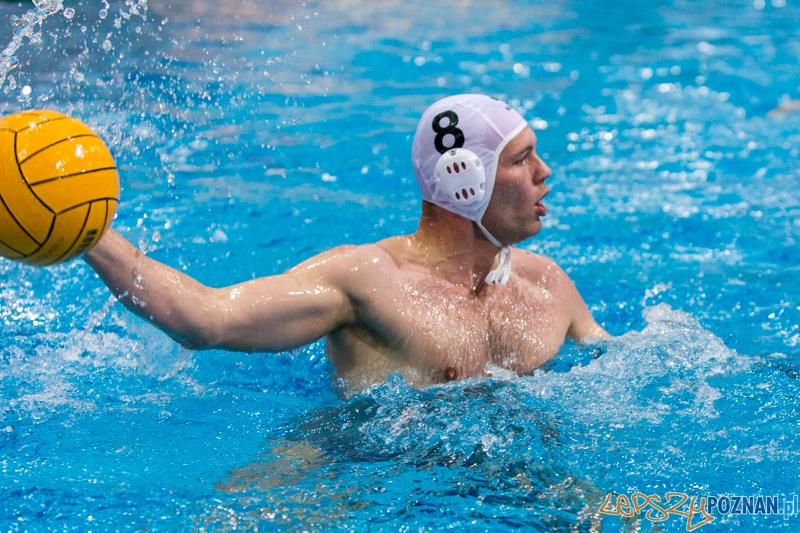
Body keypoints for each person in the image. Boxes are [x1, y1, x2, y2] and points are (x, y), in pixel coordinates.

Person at [85, 94, 609, 392]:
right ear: (462, 180)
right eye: (521, 160)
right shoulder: (368, 282)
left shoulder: (547, 284)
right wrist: (91, 236)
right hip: (367, 473)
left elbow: (620, 367)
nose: (546, 173)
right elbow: (206, 319)